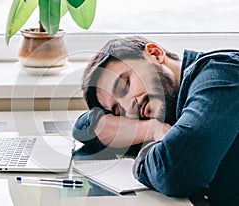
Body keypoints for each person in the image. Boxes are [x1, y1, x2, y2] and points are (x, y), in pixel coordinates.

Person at [72, 36, 239, 205]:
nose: (129, 108)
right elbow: (83, 128)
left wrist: (142, 157)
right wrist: (149, 129)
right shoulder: (164, 110)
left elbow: (175, 172)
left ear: (155, 53)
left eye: (125, 85)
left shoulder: (222, 72)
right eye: (117, 110)